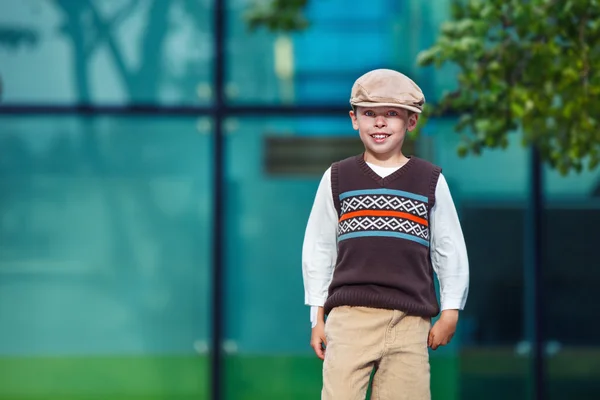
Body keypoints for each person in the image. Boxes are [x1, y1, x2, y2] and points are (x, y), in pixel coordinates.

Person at [301, 68, 470, 400]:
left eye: (391, 114)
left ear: (411, 122)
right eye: (369, 114)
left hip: (411, 322)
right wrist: (316, 317)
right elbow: (319, 250)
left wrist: (450, 311)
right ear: (354, 119)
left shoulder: (430, 180)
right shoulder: (338, 177)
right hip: (349, 319)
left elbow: (448, 248)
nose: (379, 123)